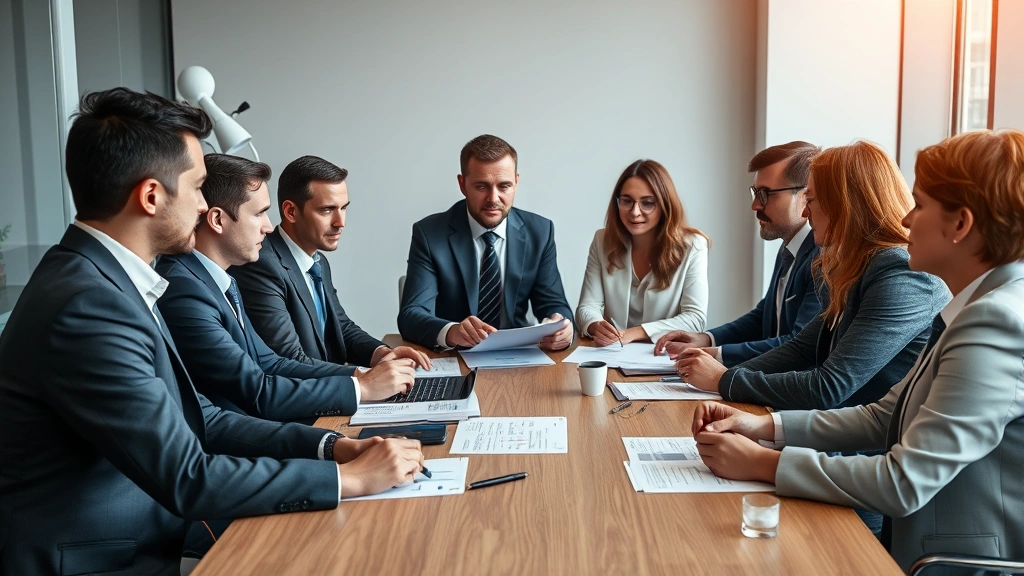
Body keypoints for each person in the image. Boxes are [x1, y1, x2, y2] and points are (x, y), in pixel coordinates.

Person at [0, 88, 423, 575]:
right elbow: (188, 475)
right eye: (199, 187)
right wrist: (345, 479)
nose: (206, 207)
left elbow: (202, 418)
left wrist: (332, 447)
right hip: (100, 561)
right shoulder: (89, 305)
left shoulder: (110, 279)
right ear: (151, 196)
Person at [690, 129, 1024, 572]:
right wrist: (762, 426)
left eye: (920, 204)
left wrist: (767, 463)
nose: (905, 220)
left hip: (952, 562)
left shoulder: (993, 321)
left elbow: (902, 483)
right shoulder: (978, 304)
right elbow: (883, 417)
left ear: (960, 225)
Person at [675, 141, 949, 411]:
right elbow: (802, 348)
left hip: (865, 443)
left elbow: (829, 386)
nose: (806, 213)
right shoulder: (856, 266)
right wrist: (716, 374)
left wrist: (724, 379)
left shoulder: (899, 275)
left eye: (811, 200)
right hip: (835, 429)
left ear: (844, 204)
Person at [156, 154, 423, 422]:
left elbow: (272, 362)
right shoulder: (189, 287)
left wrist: (367, 371)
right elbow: (260, 388)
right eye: (260, 213)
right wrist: (361, 387)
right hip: (251, 434)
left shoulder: (221, 278)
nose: (268, 226)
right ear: (217, 220)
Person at [231, 156, 428, 369]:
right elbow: (288, 359)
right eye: (326, 210)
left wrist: (382, 354)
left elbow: (340, 327)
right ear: (291, 212)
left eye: (343, 208)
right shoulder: (261, 265)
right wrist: (364, 381)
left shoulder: (317, 261)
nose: (340, 222)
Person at [398, 134, 575, 350]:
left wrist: (563, 328)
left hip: (519, 354)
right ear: (462, 184)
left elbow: (555, 305)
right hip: (454, 356)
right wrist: (452, 331)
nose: (493, 198)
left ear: (516, 183)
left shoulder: (540, 231)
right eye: (481, 187)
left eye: (504, 186)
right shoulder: (430, 234)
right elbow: (411, 314)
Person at [653, 142, 822, 366]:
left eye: (765, 194)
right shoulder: (789, 248)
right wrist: (705, 339)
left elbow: (797, 344)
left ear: (804, 196)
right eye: (755, 192)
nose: (754, 205)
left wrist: (715, 354)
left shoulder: (822, 258)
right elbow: (763, 316)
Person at [575, 159, 709, 346]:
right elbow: (587, 306)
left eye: (647, 203)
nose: (635, 212)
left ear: (665, 205)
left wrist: (634, 333)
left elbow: (695, 319)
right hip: (612, 353)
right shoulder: (602, 240)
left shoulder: (693, 245)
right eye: (626, 201)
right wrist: (594, 324)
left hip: (661, 356)